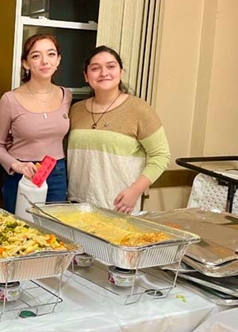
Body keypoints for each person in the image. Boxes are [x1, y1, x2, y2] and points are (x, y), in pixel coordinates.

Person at [67, 46, 170, 213]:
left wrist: (135, 191)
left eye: (111, 66)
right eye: (95, 68)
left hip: (119, 206)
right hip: (77, 205)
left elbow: (161, 156)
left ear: (121, 72)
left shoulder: (139, 109)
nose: (103, 72)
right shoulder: (75, 110)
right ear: (86, 76)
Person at [0, 34, 72, 213]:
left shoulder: (66, 95)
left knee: (54, 232)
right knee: (20, 231)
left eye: (51, 54)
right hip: (22, 174)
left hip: (56, 172)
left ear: (58, 60)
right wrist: (16, 165)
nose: (45, 61)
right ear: (25, 63)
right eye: (36, 56)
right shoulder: (10, 99)